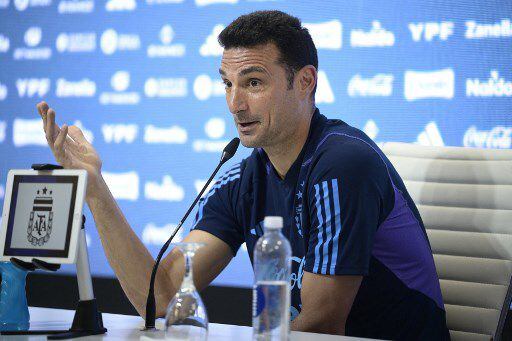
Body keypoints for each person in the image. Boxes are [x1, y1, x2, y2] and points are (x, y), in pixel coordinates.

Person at [36, 10, 449, 340]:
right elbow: (161, 296)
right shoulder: (245, 179)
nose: (235, 104)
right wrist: (95, 189)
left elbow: (323, 326)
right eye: (227, 84)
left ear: (304, 82)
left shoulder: (343, 166)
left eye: (252, 82)